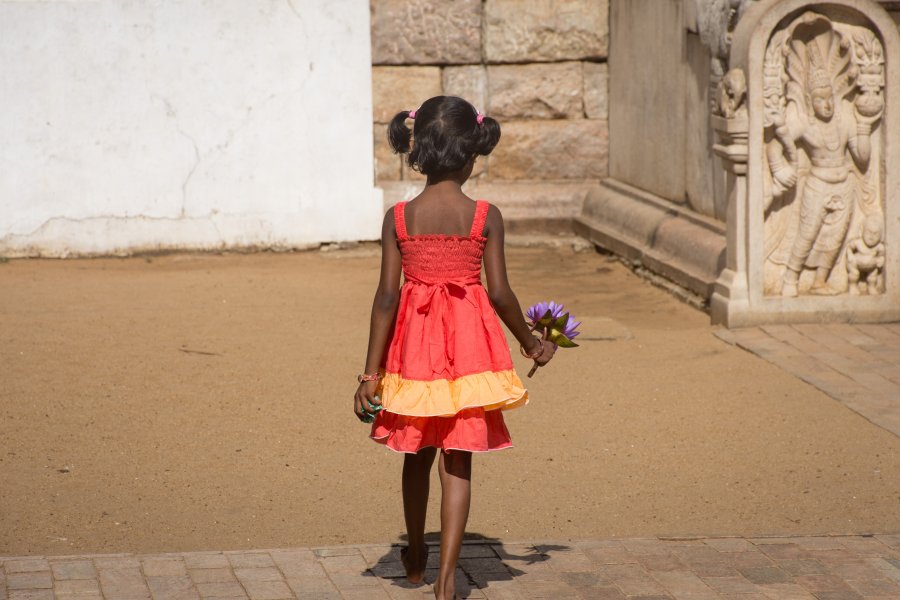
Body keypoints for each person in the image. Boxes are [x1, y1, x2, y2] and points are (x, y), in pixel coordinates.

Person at [353, 95, 555, 600]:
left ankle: (416, 556)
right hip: (470, 351)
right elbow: (501, 293)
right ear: (472, 155)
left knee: (416, 451)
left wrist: (369, 375)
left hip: (413, 351)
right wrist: (532, 344)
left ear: (416, 149)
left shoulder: (398, 217)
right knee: (458, 457)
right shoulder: (485, 216)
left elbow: (385, 298)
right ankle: (447, 581)